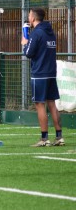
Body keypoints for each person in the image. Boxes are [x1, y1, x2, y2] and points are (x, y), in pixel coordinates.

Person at [22, 8, 64, 147]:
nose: (28, 17)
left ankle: (44, 139)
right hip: (51, 72)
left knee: (40, 105)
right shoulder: (50, 32)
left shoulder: (36, 33)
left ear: (33, 18)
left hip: (39, 74)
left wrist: (24, 42)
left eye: (29, 15)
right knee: (52, 104)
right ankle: (59, 137)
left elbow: (28, 53)